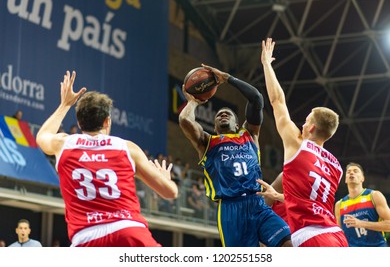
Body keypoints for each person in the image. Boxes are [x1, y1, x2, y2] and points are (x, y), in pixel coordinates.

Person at [36, 70, 178, 247]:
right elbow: (170, 193)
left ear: (79, 123)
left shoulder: (63, 144)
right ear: (107, 121)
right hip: (129, 232)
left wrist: (65, 104)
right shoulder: (127, 148)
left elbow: (42, 136)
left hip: (86, 239)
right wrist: (164, 178)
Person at [179, 64, 291, 247]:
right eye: (218, 116)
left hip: (258, 203)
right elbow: (184, 120)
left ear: (238, 123)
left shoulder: (250, 135)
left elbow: (256, 98)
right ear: (215, 127)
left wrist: (228, 78)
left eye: (228, 114)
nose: (223, 115)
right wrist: (193, 101)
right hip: (231, 209)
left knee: (289, 245)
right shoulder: (207, 143)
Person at [260, 37, 348, 247]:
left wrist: (266, 64)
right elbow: (310, 201)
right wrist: (279, 196)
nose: (302, 124)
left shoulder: (297, 145)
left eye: (306, 120)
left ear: (311, 128)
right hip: (338, 236)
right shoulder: (337, 167)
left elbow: (277, 101)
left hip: (311, 237)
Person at [335, 162, 390, 247]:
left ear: (362, 178)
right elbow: (340, 234)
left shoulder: (374, 195)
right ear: (345, 179)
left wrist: (361, 223)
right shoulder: (339, 204)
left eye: (355, 171)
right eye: (348, 172)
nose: (351, 173)